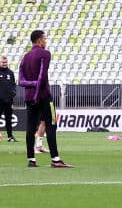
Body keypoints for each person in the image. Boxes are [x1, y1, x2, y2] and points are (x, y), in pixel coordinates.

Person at [19, 30, 72, 168]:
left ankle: (31, 159)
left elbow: (20, 80)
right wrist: (37, 90)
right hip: (43, 95)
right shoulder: (45, 54)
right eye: (44, 39)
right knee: (51, 124)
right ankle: (55, 159)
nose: (45, 42)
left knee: (30, 127)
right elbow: (42, 76)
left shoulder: (25, 57)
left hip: (29, 96)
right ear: (39, 40)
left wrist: (32, 86)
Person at [0, 55, 17, 142]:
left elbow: (14, 85)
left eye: (6, 62)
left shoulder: (10, 73)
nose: (5, 64)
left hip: (9, 100)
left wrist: (13, 92)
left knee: (9, 119)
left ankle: (10, 137)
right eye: (3, 62)